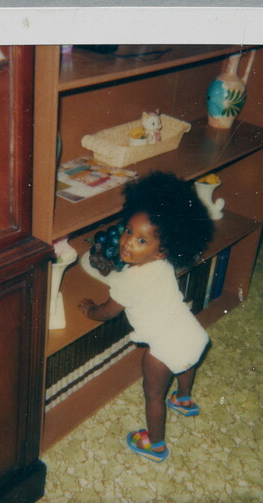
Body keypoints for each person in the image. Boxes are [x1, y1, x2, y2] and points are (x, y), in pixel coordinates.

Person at [78, 171, 213, 462]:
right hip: (190, 331)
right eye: (128, 231)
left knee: (153, 395)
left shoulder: (129, 281)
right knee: (185, 362)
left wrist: (90, 311)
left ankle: (156, 444)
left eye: (141, 241)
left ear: (160, 250)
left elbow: (108, 312)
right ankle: (185, 398)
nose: (127, 243)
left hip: (162, 349)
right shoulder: (163, 265)